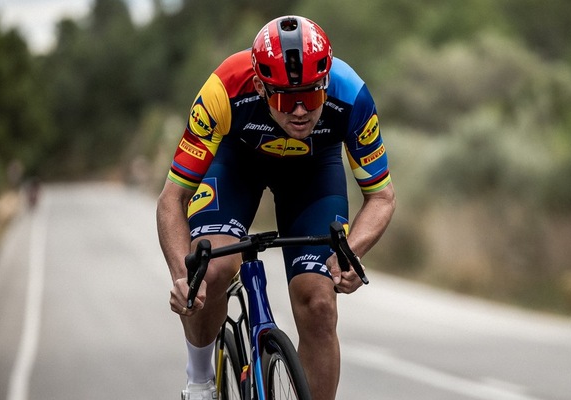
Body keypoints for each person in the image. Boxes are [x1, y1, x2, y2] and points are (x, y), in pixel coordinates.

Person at [156, 15, 396, 400]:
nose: (300, 112)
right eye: (285, 99)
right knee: (213, 270)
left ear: (326, 82)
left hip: (313, 172)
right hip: (237, 163)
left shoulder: (351, 95)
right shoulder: (223, 90)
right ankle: (199, 383)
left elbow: (382, 196)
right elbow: (172, 198)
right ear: (259, 86)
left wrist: (354, 254)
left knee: (319, 305)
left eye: (311, 97)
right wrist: (182, 277)